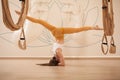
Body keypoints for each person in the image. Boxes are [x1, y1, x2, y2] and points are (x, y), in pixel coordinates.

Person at [16, 11, 103, 66]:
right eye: (55, 59)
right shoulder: (58, 52)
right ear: (57, 60)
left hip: (55, 32)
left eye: (53, 58)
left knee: (40, 22)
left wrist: (58, 63)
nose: (54, 57)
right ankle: (93, 27)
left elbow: (61, 61)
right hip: (59, 32)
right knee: (77, 30)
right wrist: (60, 63)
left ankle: (24, 15)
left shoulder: (56, 52)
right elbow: (63, 63)